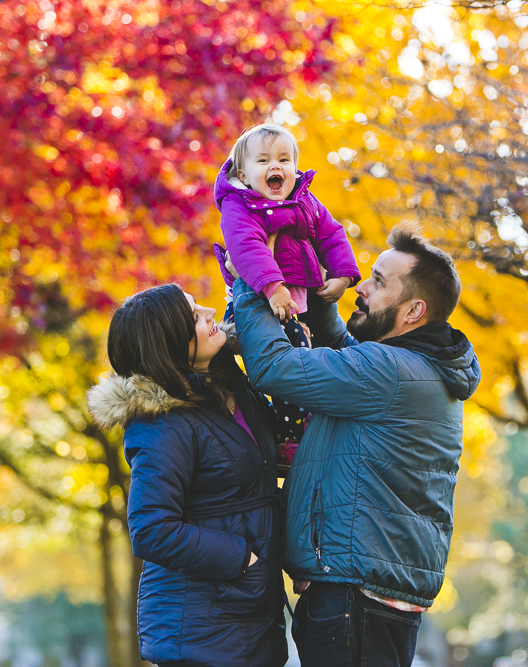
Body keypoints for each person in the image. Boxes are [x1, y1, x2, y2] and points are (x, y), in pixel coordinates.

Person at [230, 222, 481, 667]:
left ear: (412, 311)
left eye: (379, 283)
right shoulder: (414, 367)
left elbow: (274, 366)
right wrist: (321, 298)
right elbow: (345, 353)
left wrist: (253, 284)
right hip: (364, 594)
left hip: (356, 597)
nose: (360, 287)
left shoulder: (391, 372)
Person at [86, 284, 287, 667]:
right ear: (168, 343)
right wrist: (242, 558)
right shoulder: (161, 424)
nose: (210, 313)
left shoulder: (225, 384)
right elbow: (151, 528)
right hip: (200, 625)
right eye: (194, 316)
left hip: (250, 609)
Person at [213, 122, 360, 467]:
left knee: (308, 352)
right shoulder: (241, 205)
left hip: (298, 302)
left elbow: (331, 234)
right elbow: (247, 248)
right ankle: (292, 433)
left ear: (295, 168)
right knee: (289, 358)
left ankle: (292, 429)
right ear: (244, 174)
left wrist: (343, 274)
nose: (275, 167)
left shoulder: (305, 199)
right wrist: (274, 288)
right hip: (263, 301)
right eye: (263, 161)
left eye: (283, 159)